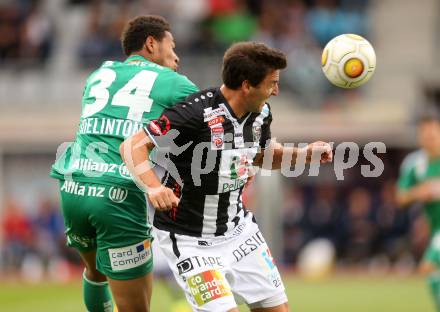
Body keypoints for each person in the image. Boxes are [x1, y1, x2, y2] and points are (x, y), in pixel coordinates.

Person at [121, 42, 332, 312]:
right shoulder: (196, 112)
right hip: (190, 241)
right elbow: (132, 146)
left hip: (239, 233)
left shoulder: (261, 113)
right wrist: (152, 187)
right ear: (246, 85)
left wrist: (306, 154)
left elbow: (262, 156)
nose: (276, 91)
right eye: (272, 83)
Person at [50, 15, 198, 312]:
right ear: (151, 43)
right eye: (172, 46)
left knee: (95, 273)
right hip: (117, 195)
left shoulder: (98, 75)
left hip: (74, 186)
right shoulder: (173, 82)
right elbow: (213, 119)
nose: (177, 56)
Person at [396, 114, 440, 312]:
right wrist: (420, 192)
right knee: (433, 279)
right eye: (424, 132)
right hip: (434, 229)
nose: (429, 136)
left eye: (433, 131)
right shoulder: (415, 163)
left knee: (428, 265)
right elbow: (400, 196)